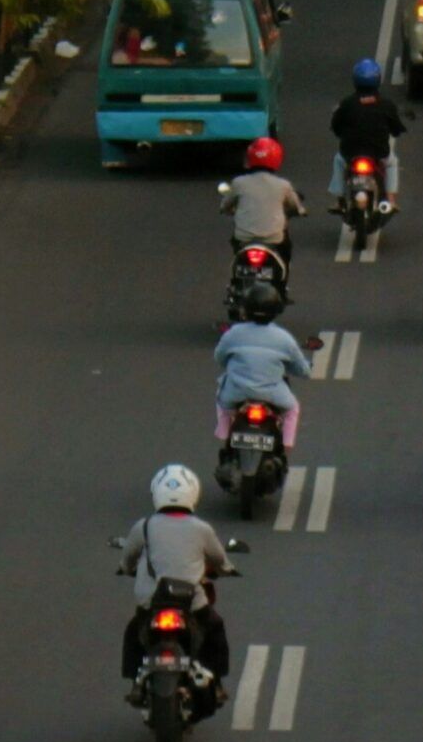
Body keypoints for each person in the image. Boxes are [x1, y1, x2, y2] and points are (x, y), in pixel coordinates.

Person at [117, 465, 234, 703]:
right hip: (190, 602)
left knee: (133, 631)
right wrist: (226, 571)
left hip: (152, 602)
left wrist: (126, 569)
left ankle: (135, 681)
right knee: (214, 628)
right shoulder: (202, 529)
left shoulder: (145, 526)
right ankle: (217, 683)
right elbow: (221, 562)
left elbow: (127, 560)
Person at [214, 282, 311, 457]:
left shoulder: (234, 333)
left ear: (246, 309)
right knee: (291, 410)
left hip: (236, 392)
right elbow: (302, 370)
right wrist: (306, 369)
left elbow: (219, 357)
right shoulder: (284, 338)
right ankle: (286, 447)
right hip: (272, 393)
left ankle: (224, 434)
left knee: (222, 404)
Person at [329, 57, 408, 206]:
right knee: (392, 162)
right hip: (379, 152)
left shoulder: (347, 103)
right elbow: (396, 128)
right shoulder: (386, 104)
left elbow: (336, 126)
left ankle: (338, 197)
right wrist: (396, 130)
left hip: (350, 152)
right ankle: (390, 198)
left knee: (338, 160)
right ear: (378, 79)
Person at [220, 136, 304, 270]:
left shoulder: (239, 182)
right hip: (273, 238)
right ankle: (283, 282)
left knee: (235, 246)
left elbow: (225, 206)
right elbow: (296, 207)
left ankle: (236, 276)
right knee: (285, 250)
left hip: (244, 238)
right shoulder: (283, 185)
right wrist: (301, 211)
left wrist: (227, 210)